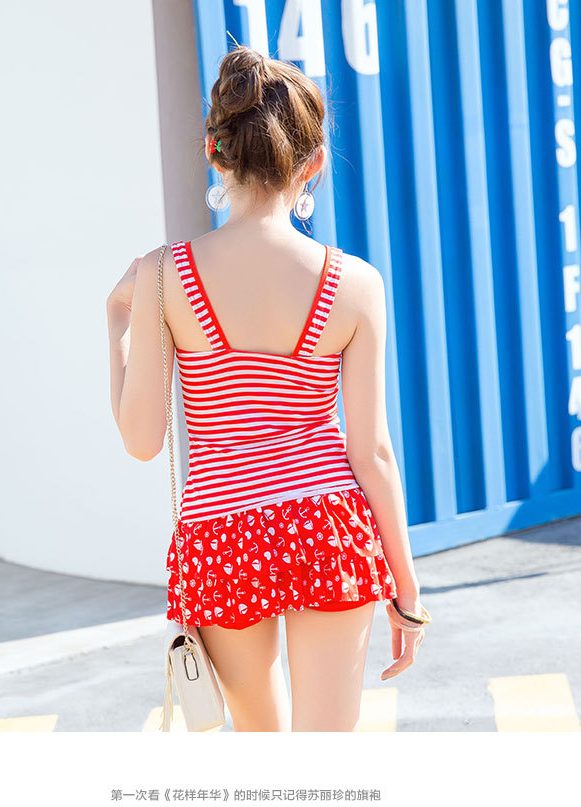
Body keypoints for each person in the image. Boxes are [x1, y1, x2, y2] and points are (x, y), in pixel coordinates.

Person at [107, 45, 431, 734]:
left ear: (214, 152)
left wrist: (118, 325)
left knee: (264, 752)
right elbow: (372, 452)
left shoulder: (164, 275)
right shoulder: (356, 284)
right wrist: (406, 590)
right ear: (313, 164)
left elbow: (141, 442)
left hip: (220, 533)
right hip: (326, 524)